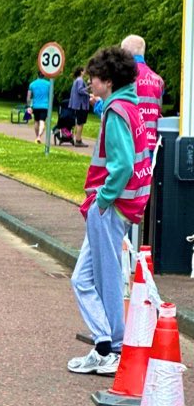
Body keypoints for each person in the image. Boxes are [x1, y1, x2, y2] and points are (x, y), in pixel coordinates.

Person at [67, 46, 152, 375]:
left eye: (94, 79)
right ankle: (105, 342)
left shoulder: (115, 111)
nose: (90, 84)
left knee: (102, 279)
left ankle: (111, 346)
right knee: (84, 278)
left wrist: (101, 201)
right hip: (118, 207)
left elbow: (121, 166)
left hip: (109, 207)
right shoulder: (131, 107)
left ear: (108, 81)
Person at [67, 66, 90, 146]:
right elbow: (80, 90)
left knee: (78, 122)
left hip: (77, 105)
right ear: (81, 72)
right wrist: (89, 90)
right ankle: (78, 140)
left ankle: (78, 139)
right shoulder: (80, 80)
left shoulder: (76, 80)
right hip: (81, 105)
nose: (85, 72)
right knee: (80, 122)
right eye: (84, 71)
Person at [27, 72, 51, 144]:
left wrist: (29, 106)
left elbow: (28, 97)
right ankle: (39, 136)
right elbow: (51, 95)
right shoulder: (48, 84)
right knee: (42, 121)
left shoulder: (32, 84)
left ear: (37, 75)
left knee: (36, 121)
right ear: (44, 76)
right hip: (45, 106)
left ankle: (37, 136)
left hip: (35, 106)